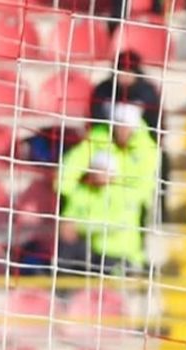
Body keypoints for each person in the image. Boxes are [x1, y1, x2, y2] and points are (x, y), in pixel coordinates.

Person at [57, 102, 158, 275]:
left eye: (125, 128)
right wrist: (64, 186)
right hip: (96, 246)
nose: (122, 132)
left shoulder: (146, 149)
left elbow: (145, 182)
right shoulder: (98, 140)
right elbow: (75, 161)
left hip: (120, 249)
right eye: (118, 127)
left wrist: (78, 226)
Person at [90, 50, 169, 222]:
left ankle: (161, 211)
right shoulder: (102, 91)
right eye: (121, 71)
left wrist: (141, 145)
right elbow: (93, 121)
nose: (124, 77)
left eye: (129, 72)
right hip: (106, 145)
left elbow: (156, 126)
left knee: (163, 161)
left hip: (140, 148)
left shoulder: (148, 92)